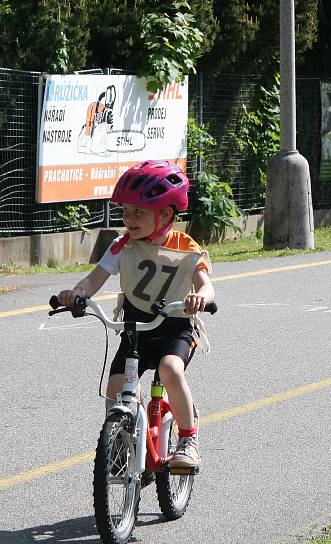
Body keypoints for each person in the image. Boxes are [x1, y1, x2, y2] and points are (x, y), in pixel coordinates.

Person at [57, 160, 214, 467]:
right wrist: (76, 294)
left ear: (166, 214)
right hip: (135, 330)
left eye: (138, 211)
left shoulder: (186, 247)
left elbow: (207, 286)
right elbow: (93, 279)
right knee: (116, 386)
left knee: (170, 370)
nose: (129, 218)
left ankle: (188, 438)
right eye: (125, 211)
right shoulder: (121, 246)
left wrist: (199, 297)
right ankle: (119, 440)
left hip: (175, 330)